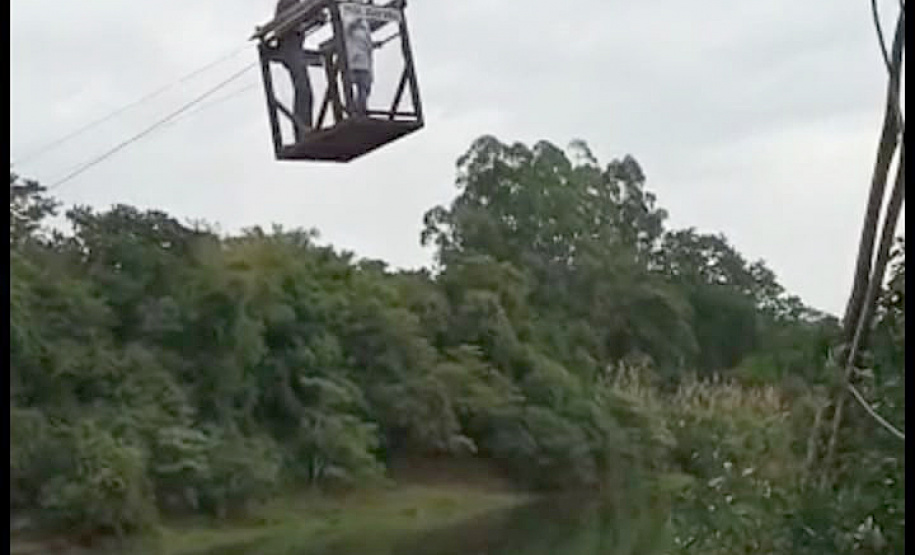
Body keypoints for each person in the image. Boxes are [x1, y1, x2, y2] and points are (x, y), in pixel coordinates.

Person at [269, 0, 322, 141]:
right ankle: (302, 132)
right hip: (289, 48)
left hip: (294, 48)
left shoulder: (295, 3)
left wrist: (315, 18)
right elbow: (282, 27)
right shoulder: (287, 3)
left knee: (305, 92)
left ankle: (305, 129)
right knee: (303, 91)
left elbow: (303, 19)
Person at [344, 14, 376, 116]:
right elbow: (347, 29)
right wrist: (360, 15)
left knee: (365, 89)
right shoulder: (347, 18)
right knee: (352, 90)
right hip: (353, 61)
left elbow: (369, 46)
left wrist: (371, 69)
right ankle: (355, 113)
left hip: (365, 63)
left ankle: (361, 112)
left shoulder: (365, 24)